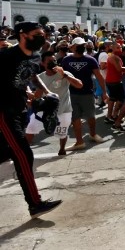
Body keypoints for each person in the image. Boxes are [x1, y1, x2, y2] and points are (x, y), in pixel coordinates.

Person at [0, 22, 62, 218]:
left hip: (19, 110)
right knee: (23, 154)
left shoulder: (36, 56)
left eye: (43, 33)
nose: (42, 37)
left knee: (10, 155)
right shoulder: (6, 57)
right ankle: (35, 203)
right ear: (23, 35)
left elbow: (32, 76)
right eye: (37, 34)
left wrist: (45, 92)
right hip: (4, 112)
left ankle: (47, 113)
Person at [26, 51, 83, 156]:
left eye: (54, 61)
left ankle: (62, 149)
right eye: (50, 62)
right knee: (31, 128)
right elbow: (38, 95)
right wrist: (31, 97)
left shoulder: (64, 73)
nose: (53, 63)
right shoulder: (40, 77)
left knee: (62, 133)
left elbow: (79, 85)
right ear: (43, 63)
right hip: (45, 110)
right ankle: (23, 150)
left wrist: (65, 75)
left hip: (63, 110)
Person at [62, 37, 108, 150]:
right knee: (75, 117)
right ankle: (79, 141)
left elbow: (99, 77)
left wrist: (104, 92)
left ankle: (92, 134)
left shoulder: (91, 60)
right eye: (79, 45)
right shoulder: (66, 60)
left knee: (91, 116)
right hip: (71, 94)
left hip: (87, 93)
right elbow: (61, 78)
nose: (81, 47)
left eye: (82, 45)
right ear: (72, 47)